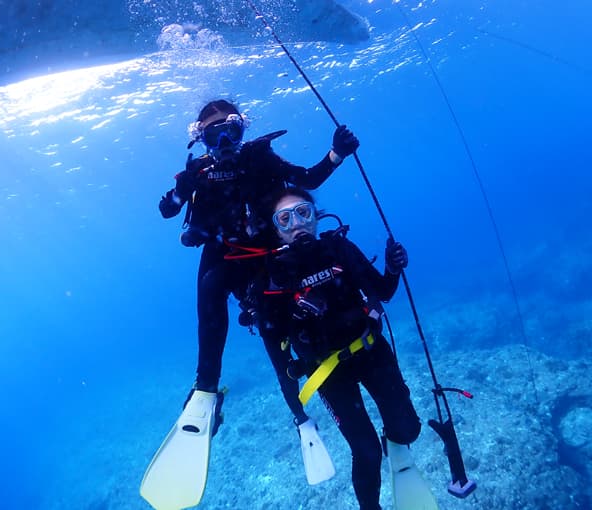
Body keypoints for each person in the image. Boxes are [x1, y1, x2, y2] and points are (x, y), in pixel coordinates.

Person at [145, 100, 358, 506]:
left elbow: (308, 177)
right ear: (200, 139)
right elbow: (168, 211)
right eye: (212, 135)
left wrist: (337, 153)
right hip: (225, 255)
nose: (224, 142)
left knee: (273, 332)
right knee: (209, 286)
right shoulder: (197, 173)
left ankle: (300, 418)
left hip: (263, 257)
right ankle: (205, 389)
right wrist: (178, 192)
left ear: (243, 129)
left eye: (231, 130)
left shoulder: (261, 158)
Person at [252, 187, 438, 510]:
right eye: (285, 219)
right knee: (365, 451)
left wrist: (393, 268)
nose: (297, 224)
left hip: (370, 349)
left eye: (303, 213)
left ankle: (395, 442)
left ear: (315, 215)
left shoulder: (340, 249)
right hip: (328, 370)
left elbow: (383, 290)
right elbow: (273, 337)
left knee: (409, 429)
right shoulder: (274, 275)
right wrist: (294, 311)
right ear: (277, 229)